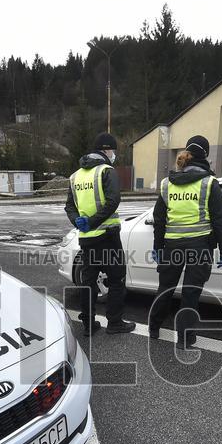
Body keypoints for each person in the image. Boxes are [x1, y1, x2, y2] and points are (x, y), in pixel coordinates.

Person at [147, 135, 222, 349]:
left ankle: (154, 329)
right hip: (199, 246)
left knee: (165, 287)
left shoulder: (167, 184)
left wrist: (157, 247)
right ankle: (185, 339)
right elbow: (220, 220)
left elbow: (159, 219)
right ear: (205, 157)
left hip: (172, 246)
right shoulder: (209, 183)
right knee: (191, 292)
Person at [64, 132, 135, 335]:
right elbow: (113, 201)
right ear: (106, 150)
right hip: (108, 236)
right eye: (113, 150)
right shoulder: (106, 170)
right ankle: (114, 323)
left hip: (86, 239)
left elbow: (69, 206)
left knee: (88, 282)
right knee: (116, 279)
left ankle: (88, 324)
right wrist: (93, 222)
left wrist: (79, 222)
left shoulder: (75, 176)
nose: (114, 155)